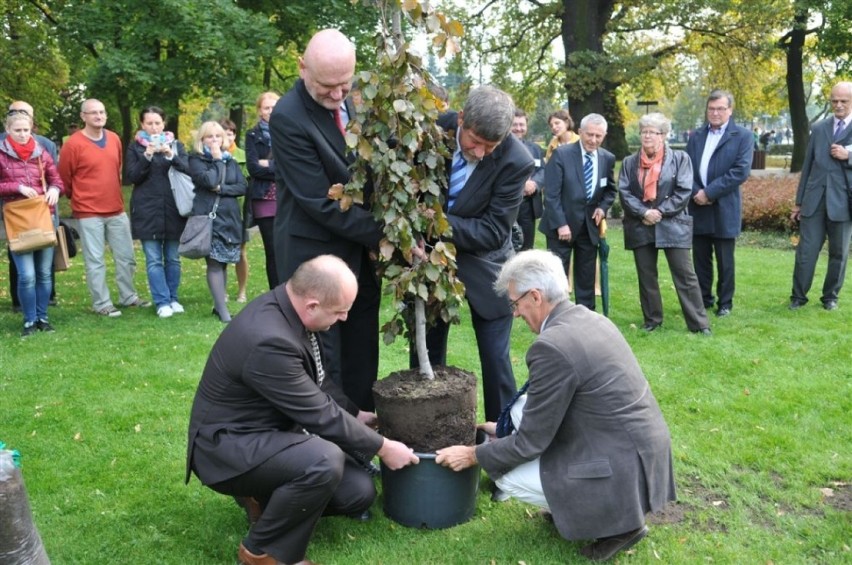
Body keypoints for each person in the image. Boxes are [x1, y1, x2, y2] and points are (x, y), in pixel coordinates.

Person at [435, 249, 676, 562]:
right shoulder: (590, 318)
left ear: (535, 296)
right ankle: (576, 506)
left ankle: (618, 526)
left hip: (619, 470)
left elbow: (532, 441)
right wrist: (501, 430)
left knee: (505, 476)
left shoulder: (552, 346)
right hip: (641, 453)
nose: (515, 313)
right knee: (521, 412)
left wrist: (472, 454)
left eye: (515, 303)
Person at [186, 255, 419, 565]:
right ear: (312, 305)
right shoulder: (269, 340)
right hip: (227, 448)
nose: (345, 318)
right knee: (323, 461)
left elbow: (316, 382)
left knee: (357, 493)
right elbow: (319, 415)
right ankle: (263, 551)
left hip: (267, 435)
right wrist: (384, 448)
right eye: (340, 311)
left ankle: (262, 499)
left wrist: (356, 414)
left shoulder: (288, 311)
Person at [270, 29, 385, 411]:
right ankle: (331, 447)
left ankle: (363, 434)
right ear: (303, 68)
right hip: (314, 255)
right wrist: (389, 235)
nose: (338, 96)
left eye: (344, 84)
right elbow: (321, 203)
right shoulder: (288, 117)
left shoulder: (359, 101)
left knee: (362, 348)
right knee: (325, 359)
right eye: (327, 87)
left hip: (358, 254)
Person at [415, 86, 534, 422]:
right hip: (430, 264)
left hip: (488, 267)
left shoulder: (516, 160)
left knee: (497, 362)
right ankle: (426, 427)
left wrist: (433, 221)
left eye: (490, 147)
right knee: (425, 350)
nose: (481, 153)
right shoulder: (429, 129)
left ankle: (501, 442)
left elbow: (493, 231)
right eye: (475, 142)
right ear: (461, 119)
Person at [617, 113, 711, 335]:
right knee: (646, 275)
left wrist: (660, 211)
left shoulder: (680, 158)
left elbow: (684, 191)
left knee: (685, 275)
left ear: (664, 135)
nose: (647, 136)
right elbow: (624, 192)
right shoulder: (630, 162)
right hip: (641, 224)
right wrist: (644, 212)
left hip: (672, 223)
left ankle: (699, 324)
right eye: (644, 131)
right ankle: (652, 320)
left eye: (653, 132)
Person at [58, 99, 150, 317]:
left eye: (102, 112)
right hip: (88, 211)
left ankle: (128, 297)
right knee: (95, 260)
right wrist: (78, 197)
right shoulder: (73, 144)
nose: (98, 116)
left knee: (127, 256)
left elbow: (116, 168)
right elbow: (64, 178)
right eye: (93, 113)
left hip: (116, 208)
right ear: (83, 117)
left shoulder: (114, 139)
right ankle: (102, 304)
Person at [686, 89, 754, 317]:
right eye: (711, 109)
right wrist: (697, 192)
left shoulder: (742, 136)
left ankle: (725, 303)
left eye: (720, 109)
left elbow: (740, 172)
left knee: (725, 260)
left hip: (724, 207)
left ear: (730, 110)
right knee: (701, 259)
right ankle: (704, 299)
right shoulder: (696, 136)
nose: (715, 113)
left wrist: (709, 192)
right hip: (698, 206)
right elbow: (686, 169)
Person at [539, 113, 616, 311]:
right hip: (561, 227)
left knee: (586, 277)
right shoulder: (562, 154)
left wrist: (603, 207)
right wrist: (561, 224)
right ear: (580, 132)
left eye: (599, 136)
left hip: (589, 227)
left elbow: (610, 190)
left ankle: (585, 317)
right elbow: (551, 194)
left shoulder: (607, 158)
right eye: (589, 134)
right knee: (557, 277)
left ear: (604, 135)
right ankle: (555, 314)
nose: (593, 140)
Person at [0, 111, 65, 336]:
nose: (22, 134)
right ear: (8, 130)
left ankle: (42, 317)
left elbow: (57, 179)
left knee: (44, 273)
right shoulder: (1, 154)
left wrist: (56, 189)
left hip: (43, 217)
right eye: (17, 130)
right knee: (26, 275)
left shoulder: (41, 152)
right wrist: (15, 187)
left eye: (26, 130)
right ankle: (29, 320)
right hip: (18, 220)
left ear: (32, 129)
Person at [789, 81, 852, 311]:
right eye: (834, 100)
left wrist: (849, 155)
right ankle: (798, 296)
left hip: (844, 202)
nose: (838, 105)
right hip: (814, 201)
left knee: (839, 253)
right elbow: (807, 166)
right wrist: (798, 202)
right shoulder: (820, 127)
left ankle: (830, 297)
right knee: (806, 251)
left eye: (844, 101)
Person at [126, 106, 190, 319]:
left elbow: (189, 170)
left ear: (164, 124)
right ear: (142, 124)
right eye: (149, 123)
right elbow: (132, 176)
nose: (154, 127)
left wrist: (172, 155)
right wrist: (147, 155)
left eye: (157, 123)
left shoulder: (176, 145)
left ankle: (173, 298)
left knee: (173, 258)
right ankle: (162, 301)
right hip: (147, 211)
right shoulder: (135, 148)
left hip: (174, 210)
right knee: (153, 260)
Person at [187, 121, 247, 323]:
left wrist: (222, 189)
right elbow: (209, 181)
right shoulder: (196, 160)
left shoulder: (231, 161)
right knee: (214, 262)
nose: (214, 141)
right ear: (201, 139)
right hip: (208, 218)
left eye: (218, 136)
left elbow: (241, 186)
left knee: (223, 263)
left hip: (229, 218)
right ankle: (223, 312)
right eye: (209, 137)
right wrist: (217, 161)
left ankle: (218, 306)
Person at [245, 92, 281, 290]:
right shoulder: (252, 135)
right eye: (267, 108)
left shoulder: (289, 131)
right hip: (264, 199)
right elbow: (253, 168)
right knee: (273, 251)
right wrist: (279, 167)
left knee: (289, 250)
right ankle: (276, 292)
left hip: (287, 198)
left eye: (274, 107)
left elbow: (293, 166)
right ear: (260, 111)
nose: (271, 111)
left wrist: (270, 165)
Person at [221, 118, 250, 303]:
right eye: (223, 134)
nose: (227, 137)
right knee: (219, 253)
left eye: (230, 133)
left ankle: (241, 291)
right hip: (220, 212)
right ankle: (221, 290)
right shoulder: (211, 156)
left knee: (241, 252)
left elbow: (246, 184)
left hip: (239, 211)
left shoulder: (243, 156)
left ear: (234, 135)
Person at [511, 109, 544, 251]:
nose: (519, 128)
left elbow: (543, 170)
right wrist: (520, 185)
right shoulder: (498, 146)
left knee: (527, 247)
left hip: (528, 206)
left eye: (522, 124)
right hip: (507, 204)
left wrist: (535, 183)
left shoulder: (535, 149)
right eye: (515, 124)